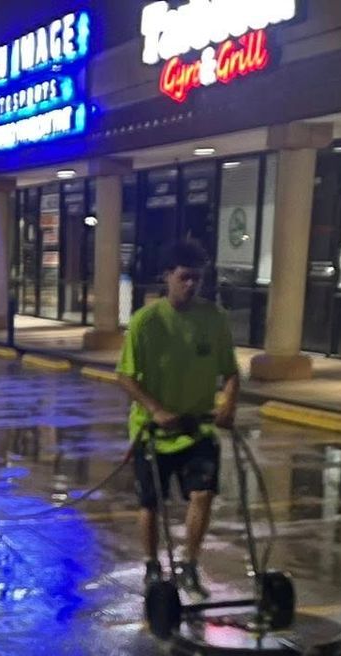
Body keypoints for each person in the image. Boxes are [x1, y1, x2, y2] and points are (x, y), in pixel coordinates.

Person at [115, 238, 239, 597]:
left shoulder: (213, 318)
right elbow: (124, 375)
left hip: (196, 427)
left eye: (196, 279)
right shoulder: (146, 322)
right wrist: (155, 408)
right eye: (184, 277)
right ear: (167, 276)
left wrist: (228, 404)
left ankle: (189, 565)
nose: (190, 284)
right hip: (153, 431)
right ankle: (153, 566)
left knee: (203, 494)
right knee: (151, 503)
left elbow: (230, 371)